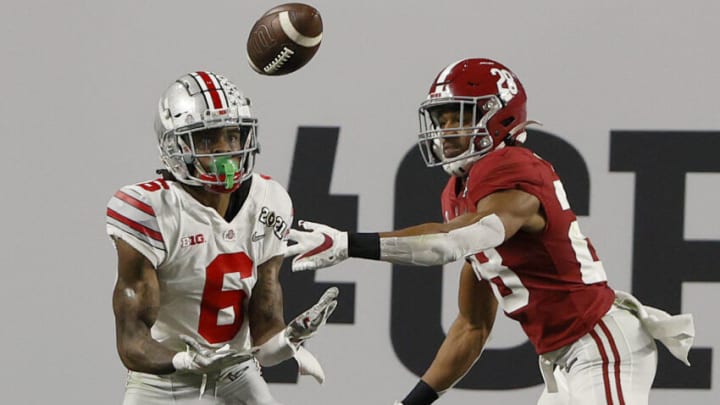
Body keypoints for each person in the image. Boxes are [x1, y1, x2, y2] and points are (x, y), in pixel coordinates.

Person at [285, 58, 695, 405]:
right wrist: (411, 403)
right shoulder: (458, 191)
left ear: (499, 116)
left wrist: (347, 244)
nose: (445, 131)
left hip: (601, 345)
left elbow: (448, 242)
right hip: (564, 358)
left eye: (457, 118)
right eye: (441, 118)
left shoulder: (510, 168)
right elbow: (472, 326)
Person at [106, 71, 338, 405]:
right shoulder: (150, 210)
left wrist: (289, 340)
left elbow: (265, 335)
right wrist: (185, 360)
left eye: (232, 136)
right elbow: (131, 341)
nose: (224, 150)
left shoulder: (268, 201)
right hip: (162, 385)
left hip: (237, 374)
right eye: (207, 139)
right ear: (176, 146)